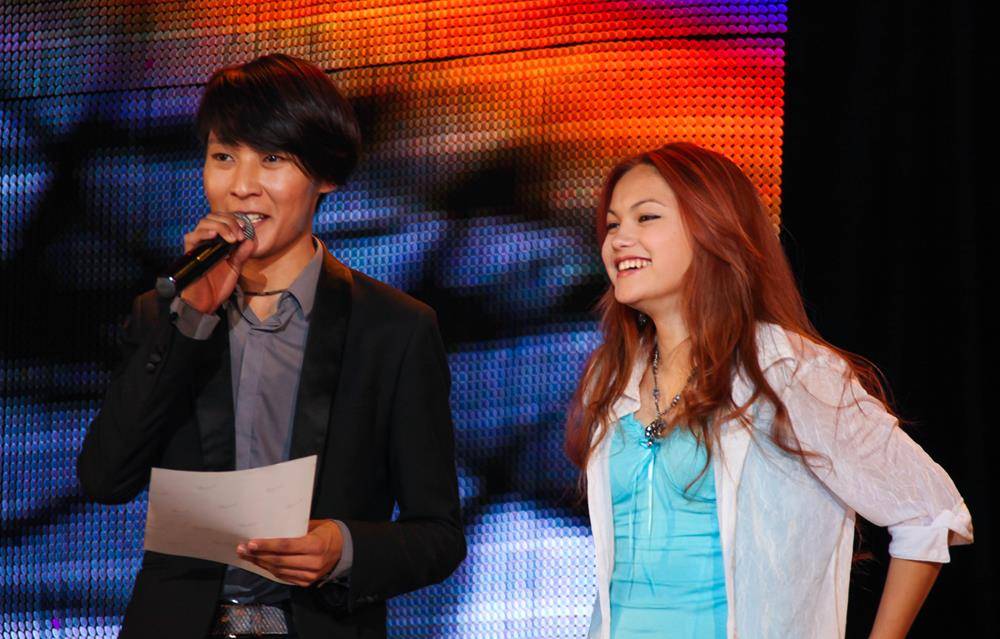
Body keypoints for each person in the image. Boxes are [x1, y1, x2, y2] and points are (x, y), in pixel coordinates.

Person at [77, 53, 466, 639]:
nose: (242, 186)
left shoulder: (393, 329)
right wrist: (189, 321)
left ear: (326, 175)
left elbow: (438, 533)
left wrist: (344, 547)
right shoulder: (165, 313)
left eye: (273, 158)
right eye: (224, 157)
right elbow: (105, 478)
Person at [564, 143, 973, 639]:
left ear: (712, 228)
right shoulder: (610, 377)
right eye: (612, 225)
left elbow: (929, 513)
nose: (619, 239)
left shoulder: (785, 367)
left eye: (645, 217)